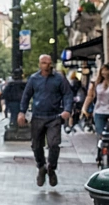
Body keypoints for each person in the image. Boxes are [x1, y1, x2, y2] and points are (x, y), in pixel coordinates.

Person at [19, 54, 74, 186]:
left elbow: (67, 94)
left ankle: (51, 168)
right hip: (38, 116)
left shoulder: (59, 79)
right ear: (40, 64)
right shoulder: (34, 79)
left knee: (54, 144)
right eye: (44, 63)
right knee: (36, 145)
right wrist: (22, 112)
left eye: (49, 63)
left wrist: (67, 110)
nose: (46, 65)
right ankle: (41, 167)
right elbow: (26, 96)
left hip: (54, 116)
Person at [83, 65, 109, 137]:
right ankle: (100, 147)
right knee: (100, 135)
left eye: (106, 70)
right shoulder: (97, 83)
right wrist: (84, 108)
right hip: (99, 112)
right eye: (103, 71)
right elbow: (90, 96)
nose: (105, 73)